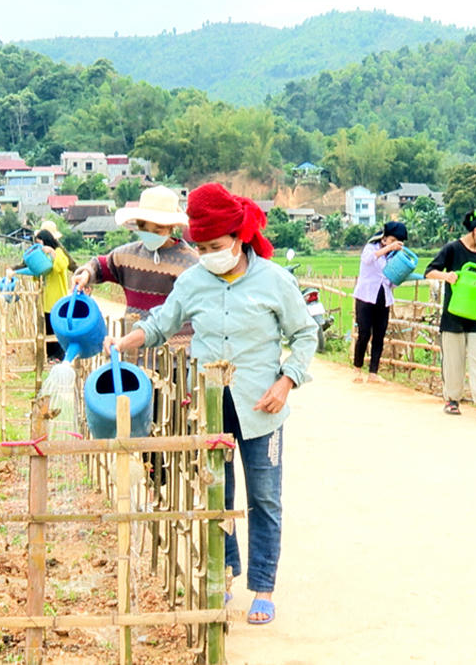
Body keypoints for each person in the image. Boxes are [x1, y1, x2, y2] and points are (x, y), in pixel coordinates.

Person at [104, 183, 317, 625]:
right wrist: (126, 341)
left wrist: (287, 381)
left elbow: (304, 334)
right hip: (210, 405)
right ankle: (224, 573)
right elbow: (160, 325)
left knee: (264, 498)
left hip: (262, 407)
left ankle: (263, 587)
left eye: (216, 247)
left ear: (238, 238)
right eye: (200, 248)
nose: (208, 255)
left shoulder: (274, 280)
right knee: (217, 494)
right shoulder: (192, 281)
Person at [72, 185, 198, 349]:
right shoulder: (128, 255)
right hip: (134, 349)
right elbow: (100, 265)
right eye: (144, 228)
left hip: (174, 352)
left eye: (157, 230)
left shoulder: (190, 263)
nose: (150, 234)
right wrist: (86, 275)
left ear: (171, 227)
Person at [424, 209, 476, 419]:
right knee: (453, 360)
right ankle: (452, 400)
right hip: (454, 313)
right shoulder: (452, 249)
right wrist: (447, 276)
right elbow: (429, 271)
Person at [352, 221, 408, 383]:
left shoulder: (394, 257)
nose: (394, 244)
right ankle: (357, 369)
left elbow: (392, 281)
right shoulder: (371, 248)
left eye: (397, 242)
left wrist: (401, 274)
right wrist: (388, 249)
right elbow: (367, 259)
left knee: (379, 335)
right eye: (392, 240)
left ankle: (373, 373)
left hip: (383, 297)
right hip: (366, 296)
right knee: (364, 334)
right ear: (384, 239)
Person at [34, 226, 77, 362]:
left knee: (58, 329)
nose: (40, 246)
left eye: (40, 243)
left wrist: (52, 253)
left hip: (58, 298)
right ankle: (50, 356)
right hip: (46, 299)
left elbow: (60, 267)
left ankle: (59, 355)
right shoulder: (41, 255)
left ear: (46, 241)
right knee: (48, 328)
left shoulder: (59, 252)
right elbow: (37, 274)